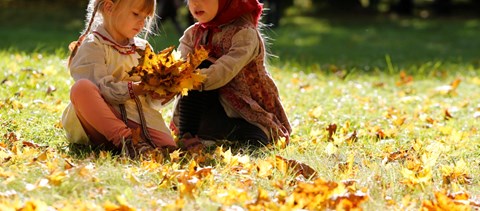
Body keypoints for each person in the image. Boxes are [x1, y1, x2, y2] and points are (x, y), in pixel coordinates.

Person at [61, 0, 177, 158]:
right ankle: (127, 141)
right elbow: (103, 89)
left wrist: (160, 92)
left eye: (146, 17)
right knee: (82, 89)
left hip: (135, 117)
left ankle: (137, 143)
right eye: (136, 14)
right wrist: (139, 87)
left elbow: (151, 101)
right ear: (109, 7)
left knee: (168, 146)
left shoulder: (143, 48)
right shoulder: (93, 45)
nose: (142, 22)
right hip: (99, 122)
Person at [170, 0, 292, 150]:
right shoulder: (193, 34)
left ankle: (233, 134)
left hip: (241, 109)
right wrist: (170, 79)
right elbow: (179, 65)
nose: (196, 4)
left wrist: (193, 78)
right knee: (192, 70)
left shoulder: (244, 34)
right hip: (204, 105)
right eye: (191, 0)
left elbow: (225, 69)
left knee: (256, 137)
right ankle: (188, 134)